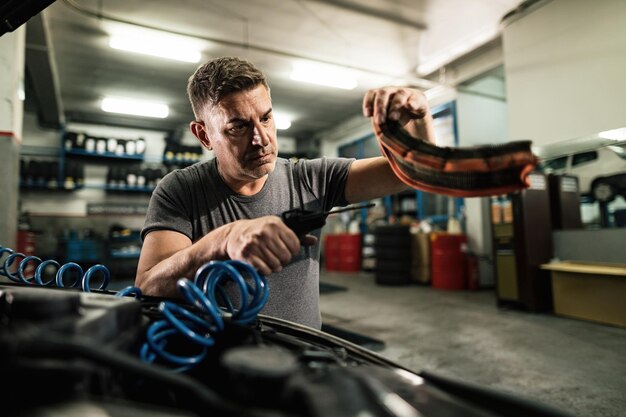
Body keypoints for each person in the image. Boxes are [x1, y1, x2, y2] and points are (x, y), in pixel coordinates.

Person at [135, 56, 436, 329]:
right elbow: (149, 286)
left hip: (303, 363)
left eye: (265, 118)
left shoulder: (310, 178)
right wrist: (222, 241)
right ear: (204, 135)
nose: (261, 139)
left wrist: (419, 118)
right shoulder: (180, 190)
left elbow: (417, 172)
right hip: (216, 368)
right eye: (238, 126)